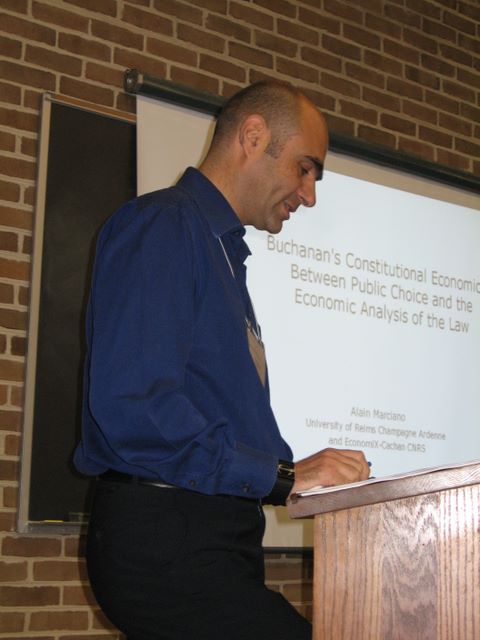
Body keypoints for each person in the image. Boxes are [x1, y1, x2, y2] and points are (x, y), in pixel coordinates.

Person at [74, 80, 370, 640]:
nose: (309, 195)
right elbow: (137, 408)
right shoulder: (164, 226)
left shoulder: (223, 253)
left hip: (209, 539)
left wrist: (293, 476)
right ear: (253, 137)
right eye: (305, 168)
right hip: (169, 542)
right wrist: (283, 477)